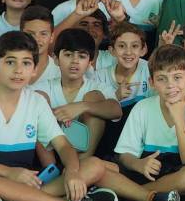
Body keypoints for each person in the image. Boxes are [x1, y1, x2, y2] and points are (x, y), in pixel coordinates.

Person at [0, 31, 118, 201]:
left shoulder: (36, 101)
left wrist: (72, 173)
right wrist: (8, 172)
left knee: (93, 165)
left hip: (26, 180)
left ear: (34, 70)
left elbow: (63, 145)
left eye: (26, 63)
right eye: (10, 62)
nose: (18, 70)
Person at [109, 44, 185, 201]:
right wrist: (138, 164)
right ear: (152, 82)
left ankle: (131, 195)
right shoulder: (142, 107)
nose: (170, 85)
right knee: (97, 167)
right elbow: (125, 155)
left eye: (177, 77)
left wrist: (179, 119)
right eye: (162, 79)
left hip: (177, 175)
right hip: (145, 169)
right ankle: (148, 196)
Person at [34, 29, 121, 160]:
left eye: (82, 56)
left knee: (94, 98)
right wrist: (51, 115)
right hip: (51, 153)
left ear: (90, 62)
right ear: (56, 59)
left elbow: (116, 111)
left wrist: (82, 106)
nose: (75, 61)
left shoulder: (98, 87)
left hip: (84, 155)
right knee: (39, 98)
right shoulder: (43, 87)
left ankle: (79, 166)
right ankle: (51, 168)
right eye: (68, 55)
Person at [93, 23, 152, 159]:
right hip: (112, 137)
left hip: (143, 134)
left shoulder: (150, 70)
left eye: (134, 46)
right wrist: (115, 97)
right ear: (112, 50)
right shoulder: (99, 76)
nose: (128, 52)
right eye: (121, 46)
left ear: (143, 50)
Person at [20, 5, 61, 86]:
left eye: (43, 34)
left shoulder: (60, 73)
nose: (36, 39)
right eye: (31, 34)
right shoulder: (8, 68)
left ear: (52, 37)